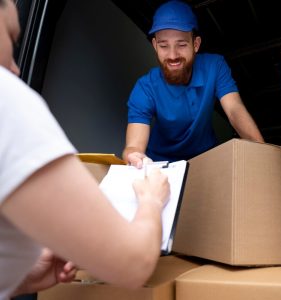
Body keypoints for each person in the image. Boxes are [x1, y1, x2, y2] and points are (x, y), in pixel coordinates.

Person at [0, 0, 170, 298]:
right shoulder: (7, 100)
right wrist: (152, 200)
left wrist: (23, 278)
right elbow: (132, 264)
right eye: (11, 39)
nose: (15, 69)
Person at [123, 0, 265, 168]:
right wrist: (134, 157)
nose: (172, 55)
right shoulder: (145, 87)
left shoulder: (215, 66)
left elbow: (234, 110)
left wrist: (262, 152)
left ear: (195, 44)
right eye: (163, 46)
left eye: (181, 44)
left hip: (207, 158)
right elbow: (134, 146)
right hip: (162, 164)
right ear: (155, 45)